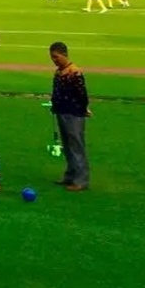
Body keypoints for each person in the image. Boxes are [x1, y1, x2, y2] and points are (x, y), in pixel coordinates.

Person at [50, 41, 91, 191]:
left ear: (64, 54)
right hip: (62, 111)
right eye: (52, 57)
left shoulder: (75, 72)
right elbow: (56, 92)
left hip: (74, 113)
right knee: (67, 146)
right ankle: (70, 175)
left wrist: (84, 108)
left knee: (76, 146)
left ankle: (81, 180)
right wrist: (54, 105)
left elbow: (82, 94)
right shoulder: (58, 72)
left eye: (56, 57)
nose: (54, 60)